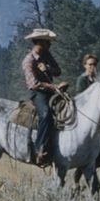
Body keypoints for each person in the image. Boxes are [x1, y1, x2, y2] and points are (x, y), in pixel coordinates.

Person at [21, 28, 67, 166]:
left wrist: (48, 68)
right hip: (38, 93)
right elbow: (33, 84)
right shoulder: (28, 60)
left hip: (51, 91)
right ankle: (38, 147)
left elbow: (58, 71)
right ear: (39, 42)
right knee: (46, 114)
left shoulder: (47, 55)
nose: (50, 44)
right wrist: (54, 87)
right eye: (47, 42)